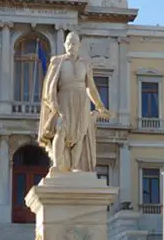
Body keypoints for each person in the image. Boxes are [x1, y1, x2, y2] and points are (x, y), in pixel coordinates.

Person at [37, 31, 111, 174]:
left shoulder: (85, 64)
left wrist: (100, 106)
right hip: (64, 98)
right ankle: (57, 165)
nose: (71, 45)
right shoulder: (57, 61)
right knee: (61, 129)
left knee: (80, 133)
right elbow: (49, 85)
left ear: (79, 46)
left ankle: (74, 166)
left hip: (82, 100)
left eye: (74, 43)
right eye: (69, 42)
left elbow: (91, 87)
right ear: (65, 45)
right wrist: (53, 104)